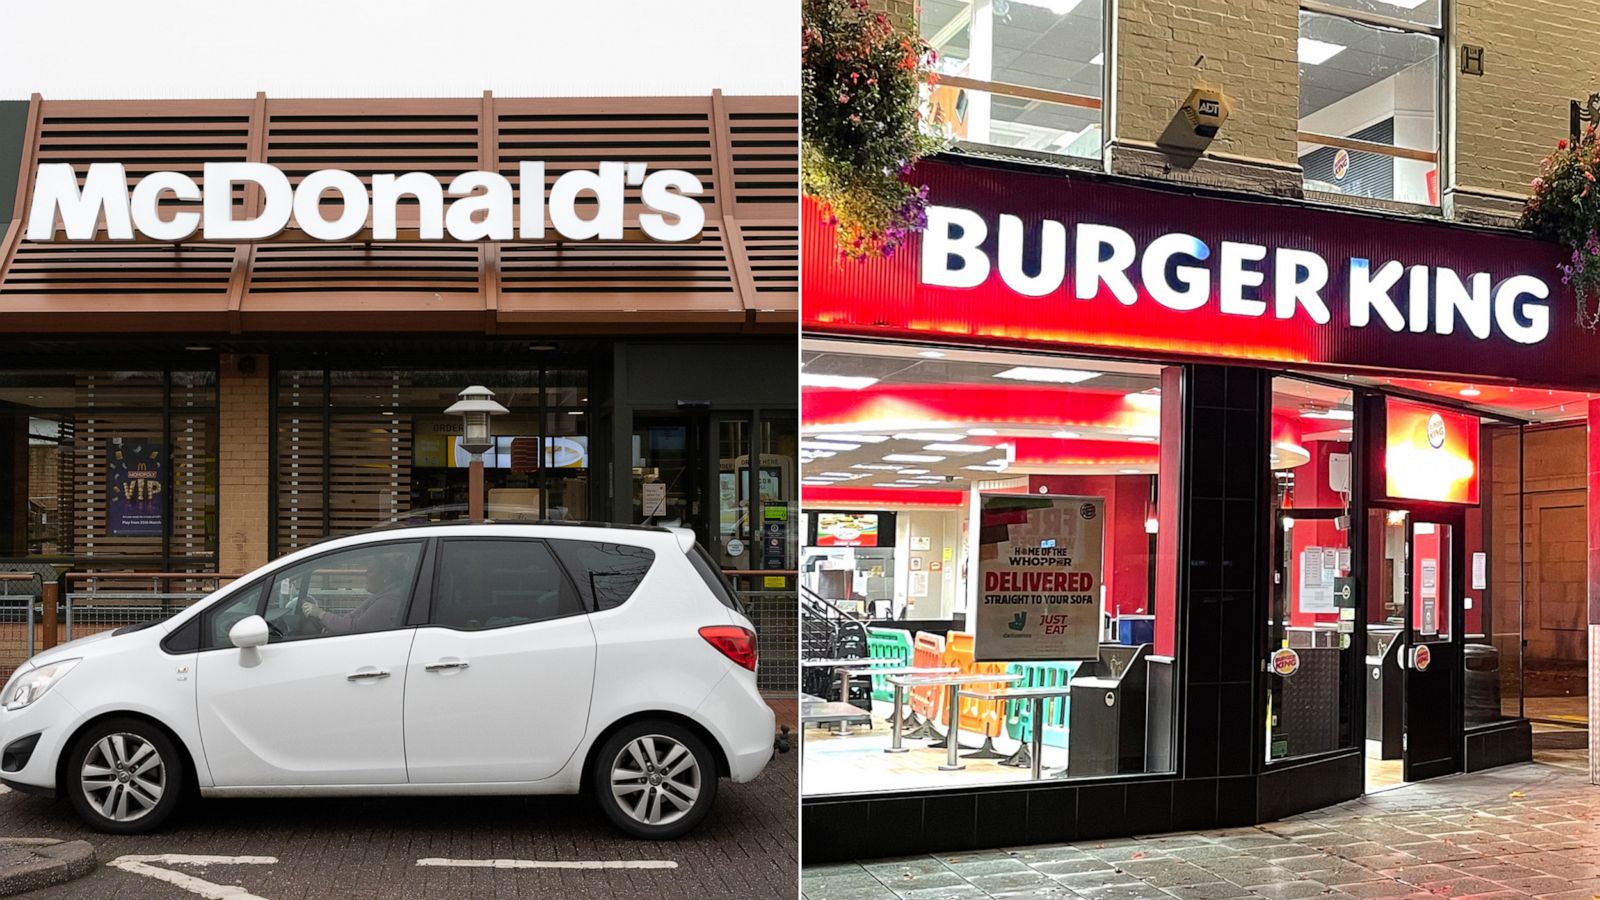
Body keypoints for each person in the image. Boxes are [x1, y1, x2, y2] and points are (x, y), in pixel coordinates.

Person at [300, 555, 410, 635]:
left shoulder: (388, 601)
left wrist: (320, 614)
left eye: (371, 570)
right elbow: (350, 618)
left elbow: (354, 628)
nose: (365, 574)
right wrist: (326, 622)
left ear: (386, 576)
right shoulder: (381, 595)